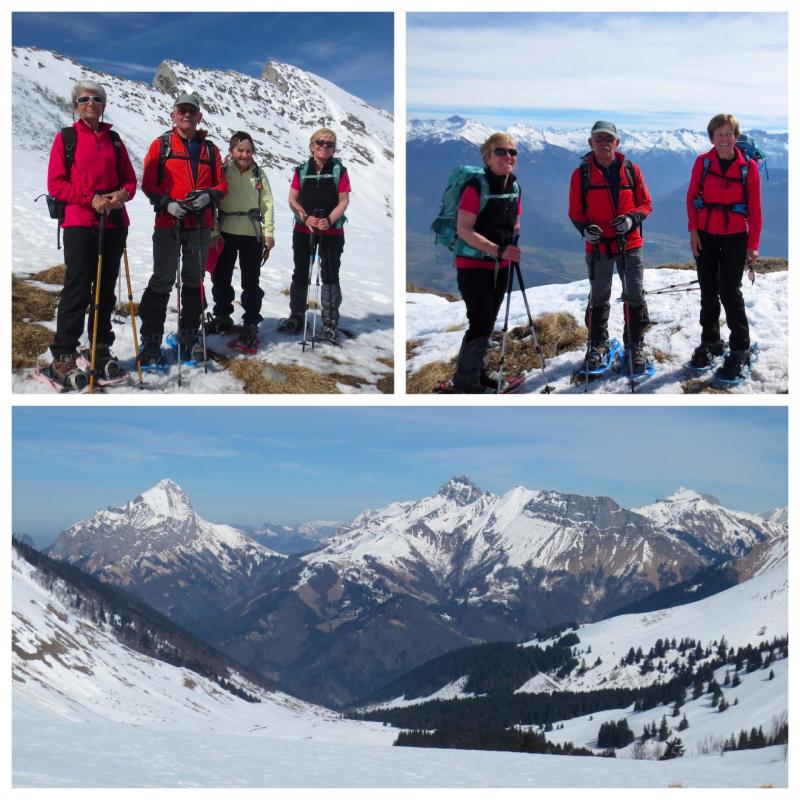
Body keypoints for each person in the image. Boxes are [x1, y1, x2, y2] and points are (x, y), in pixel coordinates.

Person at [45, 80, 137, 389]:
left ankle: (99, 347)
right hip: (80, 222)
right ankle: (63, 353)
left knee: (105, 290)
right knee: (78, 287)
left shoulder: (114, 140)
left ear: (103, 105)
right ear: (75, 105)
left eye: (96, 99)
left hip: (113, 222)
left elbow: (130, 180)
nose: (90, 103)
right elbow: (56, 184)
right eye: (84, 99)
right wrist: (91, 199)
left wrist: (122, 194)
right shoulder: (67, 138)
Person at [137, 92, 227, 365]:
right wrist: (167, 204)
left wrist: (208, 196)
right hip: (167, 223)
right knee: (162, 281)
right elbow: (148, 184)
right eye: (182, 109)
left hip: (200, 225)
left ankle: (189, 335)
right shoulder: (161, 145)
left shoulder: (211, 150)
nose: (187, 114)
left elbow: (223, 185)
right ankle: (150, 340)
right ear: (173, 115)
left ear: (199, 117)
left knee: (193, 281)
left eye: (192, 110)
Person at [568, 120, 652, 373]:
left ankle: (635, 345)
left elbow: (646, 204)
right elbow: (575, 212)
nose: (604, 144)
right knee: (599, 297)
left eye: (609, 139)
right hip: (599, 248)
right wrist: (585, 230)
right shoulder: (581, 174)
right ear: (590, 143)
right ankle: (597, 344)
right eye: (599, 139)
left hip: (631, 243)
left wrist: (630, 219)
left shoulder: (631, 170)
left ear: (617, 142)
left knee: (634, 295)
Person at [687, 113, 762, 380]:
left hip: (735, 237)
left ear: (736, 137)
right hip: (706, 234)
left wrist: (752, 245)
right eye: (718, 134)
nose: (724, 139)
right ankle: (711, 341)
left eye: (728, 134)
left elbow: (755, 209)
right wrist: (693, 230)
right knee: (708, 289)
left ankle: (740, 347)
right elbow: (692, 196)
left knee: (730, 291)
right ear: (712, 138)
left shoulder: (748, 167)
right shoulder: (702, 163)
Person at [448, 132, 522, 393]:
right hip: (473, 266)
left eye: (513, 152)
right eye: (501, 151)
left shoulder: (513, 187)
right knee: (479, 320)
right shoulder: (476, 187)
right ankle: (466, 383)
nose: (508, 156)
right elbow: (464, 230)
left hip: (500, 266)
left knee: (488, 320)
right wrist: (498, 250)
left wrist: (511, 245)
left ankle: (477, 374)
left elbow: (514, 222)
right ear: (487, 156)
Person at [280, 128, 350, 341]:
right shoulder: (301, 170)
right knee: (301, 272)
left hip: (332, 230)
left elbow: (344, 200)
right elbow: (293, 199)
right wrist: (305, 217)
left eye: (329, 144)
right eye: (320, 142)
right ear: (311, 146)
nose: (324, 146)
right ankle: (297, 315)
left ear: (334, 149)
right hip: (304, 229)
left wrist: (329, 220)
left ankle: (329, 321)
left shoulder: (340, 171)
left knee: (330, 274)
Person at [208, 131, 275, 351]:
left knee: (251, 281)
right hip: (225, 233)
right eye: (240, 150)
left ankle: (251, 322)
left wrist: (269, 233)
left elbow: (267, 203)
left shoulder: (258, 173)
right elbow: (214, 203)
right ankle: (223, 316)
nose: (245, 154)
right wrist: (214, 232)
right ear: (231, 151)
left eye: (248, 150)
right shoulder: (223, 172)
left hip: (252, 234)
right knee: (222, 277)